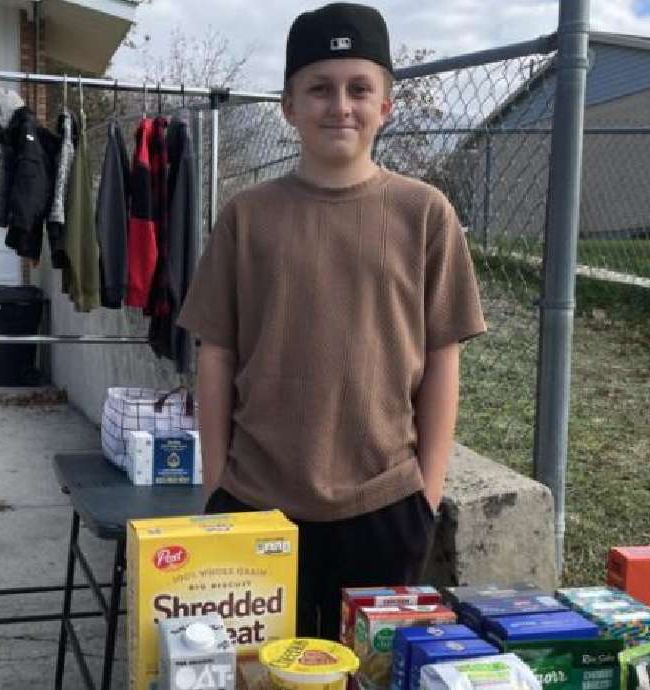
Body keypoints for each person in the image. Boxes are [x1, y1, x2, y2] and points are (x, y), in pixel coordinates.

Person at [175, 2, 487, 640]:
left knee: (366, 675)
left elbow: (442, 358)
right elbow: (216, 354)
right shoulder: (246, 217)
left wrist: (425, 497)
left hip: (384, 506)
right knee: (261, 674)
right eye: (319, 88)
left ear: (386, 105)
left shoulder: (425, 214)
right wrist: (215, 488)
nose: (340, 106)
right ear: (288, 106)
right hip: (256, 501)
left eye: (358, 89)